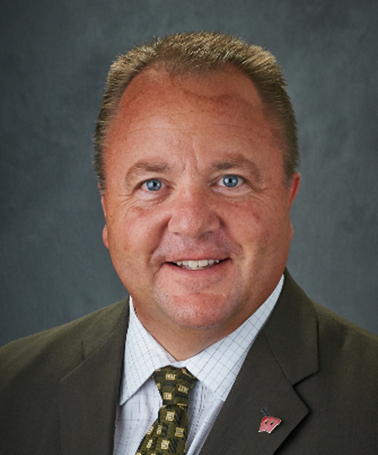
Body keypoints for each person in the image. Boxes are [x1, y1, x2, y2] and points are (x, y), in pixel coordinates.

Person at [1, 31, 377, 455]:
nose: (192, 223)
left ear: (286, 199)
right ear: (108, 210)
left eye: (230, 180)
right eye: (153, 184)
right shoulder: (11, 388)